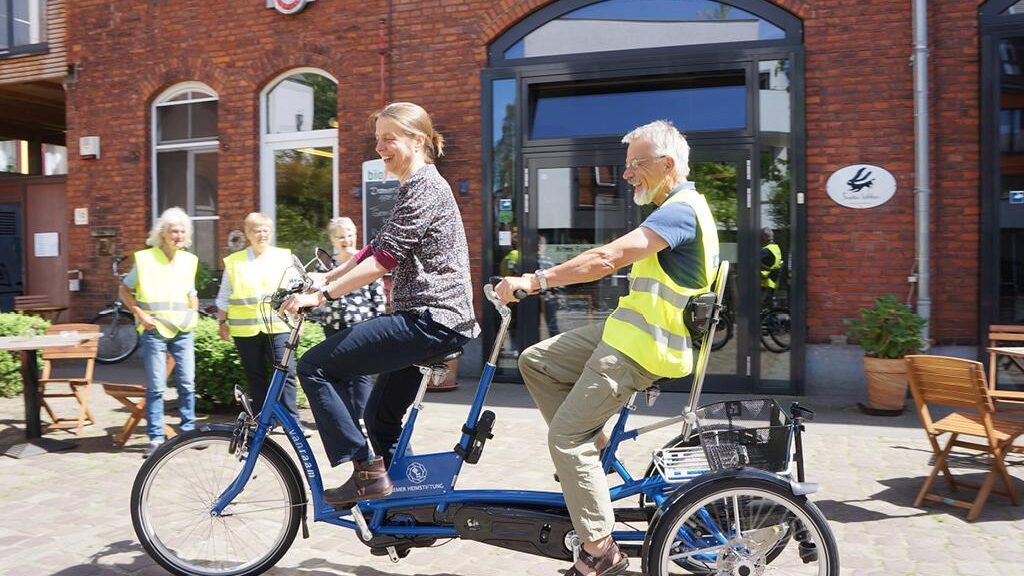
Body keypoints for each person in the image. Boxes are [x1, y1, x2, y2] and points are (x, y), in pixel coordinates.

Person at [496, 120, 719, 576]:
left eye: (636, 164)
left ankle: (601, 552)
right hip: (624, 333)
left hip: (643, 347)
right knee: (536, 361)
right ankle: (593, 451)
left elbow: (606, 258)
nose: (627, 174)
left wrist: (536, 280)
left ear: (668, 165)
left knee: (565, 439)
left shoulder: (680, 210)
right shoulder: (673, 208)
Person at [282, 102, 478, 508]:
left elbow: (382, 262)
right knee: (379, 417)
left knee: (314, 367)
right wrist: (327, 276)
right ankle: (404, 505)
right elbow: (376, 247)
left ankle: (365, 473)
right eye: (377, 140)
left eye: (389, 138)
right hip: (429, 319)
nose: (380, 148)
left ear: (418, 139)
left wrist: (321, 296)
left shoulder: (426, 186)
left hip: (429, 319)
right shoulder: (414, 186)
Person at [215, 212, 310, 437]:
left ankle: (292, 424)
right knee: (255, 376)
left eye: (266, 229)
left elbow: (296, 291)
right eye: (256, 230)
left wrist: (299, 320)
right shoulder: (234, 262)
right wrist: (221, 322)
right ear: (248, 234)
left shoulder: (283, 257)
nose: (262, 234)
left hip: (279, 326)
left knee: (286, 373)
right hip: (245, 330)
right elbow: (224, 294)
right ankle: (262, 422)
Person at [120, 207, 200, 458]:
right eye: (173, 231)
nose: (178, 235)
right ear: (163, 233)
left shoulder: (189, 260)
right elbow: (124, 290)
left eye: (182, 231)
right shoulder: (144, 259)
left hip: (183, 329)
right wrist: (140, 314)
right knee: (156, 386)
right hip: (154, 329)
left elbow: (191, 294)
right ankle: (155, 437)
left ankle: (188, 431)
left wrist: (194, 312)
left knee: (187, 382)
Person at [316, 216, 387, 422]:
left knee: (360, 374)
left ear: (356, 236)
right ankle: (347, 418)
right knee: (338, 373)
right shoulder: (327, 265)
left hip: (360, 326)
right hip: (333, 325)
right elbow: (319, 293)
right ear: (333, 240)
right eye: (340, 236)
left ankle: (363, 418)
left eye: (349, 235)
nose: (346, 239)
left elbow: (378, 296)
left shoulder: (367, 261)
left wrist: (378, 324)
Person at [760, 227, 782, 305]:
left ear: (765, 237)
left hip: (764, 283)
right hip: (773, 282)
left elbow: (752, 261)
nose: (761, 239)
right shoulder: (777, 248)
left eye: (761, 236)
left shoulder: (766, 250)